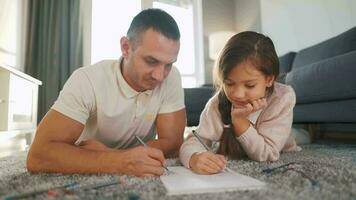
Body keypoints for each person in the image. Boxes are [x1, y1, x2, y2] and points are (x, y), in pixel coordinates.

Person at [27, 8, 186, 177]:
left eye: (169, 64)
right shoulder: (87, 79)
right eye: (151, 61)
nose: (160, 76)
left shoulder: (172, 77)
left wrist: (110, 154)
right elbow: (38, 156)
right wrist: (121, 161)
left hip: (95, 154)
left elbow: (174, 144)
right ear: (126, 48)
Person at [179, 31, 301, 175]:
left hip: (284, 141)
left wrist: (240, 122)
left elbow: (267, 154)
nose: (237, 94)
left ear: (269, 79)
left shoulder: (282, 98)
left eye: (249, 85)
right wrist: (194, 157)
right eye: (229, 83)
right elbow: (195, 140)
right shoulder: (217, 103)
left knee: (300, 137)